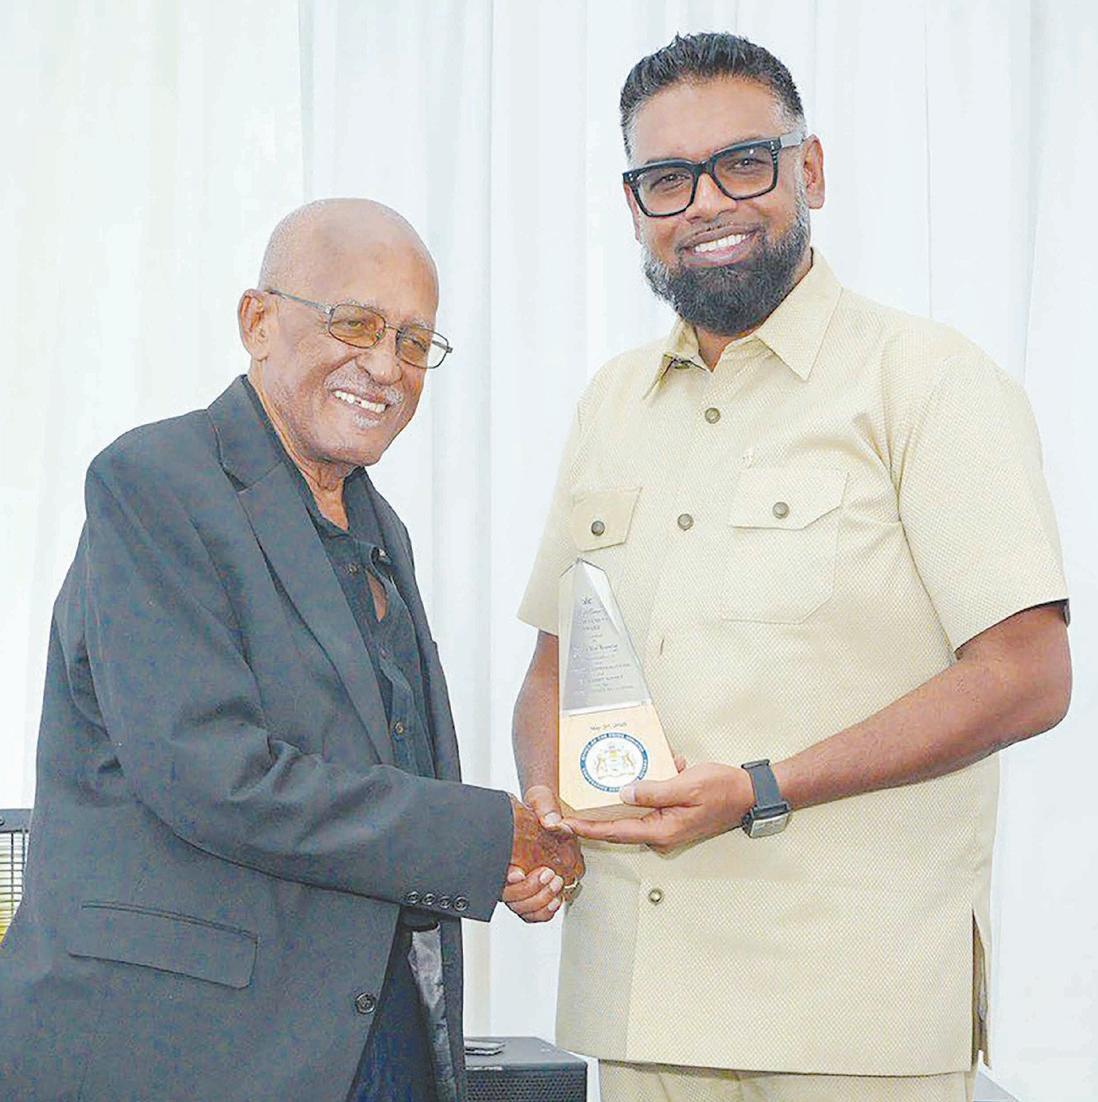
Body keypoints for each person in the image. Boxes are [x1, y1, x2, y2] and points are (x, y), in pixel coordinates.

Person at [510, 33, 1071, 1102]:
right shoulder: (610, 405)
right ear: (634, 205)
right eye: (668, 179)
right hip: (639, 1007)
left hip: (848, 1016)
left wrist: (759, 789)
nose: (707, 204)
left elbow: (1028, 675)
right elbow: (555, 670)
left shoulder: (928, 381)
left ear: (809, 170)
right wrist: (548, 811)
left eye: (743, 164)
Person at [0, 198, 582, 1102]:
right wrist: (485, 836)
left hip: (368, 1027)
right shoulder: (153, 483)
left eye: (415, 342)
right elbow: (213, 774)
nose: (385, 366)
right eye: (356, 323)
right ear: (258, 321)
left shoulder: (378, 525)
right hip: (183, 1048)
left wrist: (505, 863)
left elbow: (388, 766)